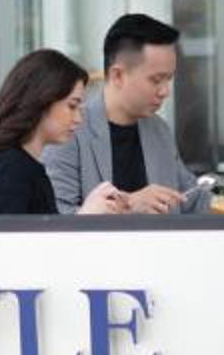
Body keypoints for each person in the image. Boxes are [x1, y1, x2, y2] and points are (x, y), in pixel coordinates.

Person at [47, 12, 211, 216]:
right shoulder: (70, 131)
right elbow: (54, 219)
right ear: (117, 75)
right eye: (156, 80)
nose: (165, 91)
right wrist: (128, 205)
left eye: (169, 79)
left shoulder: (159, 130)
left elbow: (189, 198)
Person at [0, 48, 128, 216]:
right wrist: (85, 214)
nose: (78, 119)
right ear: (43, 100)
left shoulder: (21, 166)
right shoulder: (12, 168)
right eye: (72, 106)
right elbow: (10, 236)